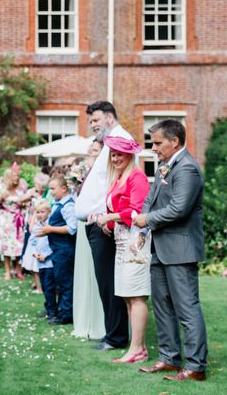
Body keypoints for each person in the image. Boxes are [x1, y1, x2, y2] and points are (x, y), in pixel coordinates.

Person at [134, 120, 208, 381]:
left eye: (157, 143)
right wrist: (142, 227)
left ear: (174, 141)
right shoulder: (164, 166)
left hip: (181, 249)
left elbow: (179, 209)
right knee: (162, 306)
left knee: (187, 309)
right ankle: (169, 358)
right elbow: (150, 199)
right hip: (160, 247)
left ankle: (196, 366)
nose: (153, 148)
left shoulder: (187, 168)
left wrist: (147, 220)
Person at [75, 101, 131, 351]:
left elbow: (120, 183)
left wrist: (107, 216)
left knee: (109, 282)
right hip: (97, 222)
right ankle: (112, 333)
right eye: (90, 121)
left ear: (109, 117)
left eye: (96, 119)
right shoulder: (111, 141)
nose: (93, 125)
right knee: (105, 281)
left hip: (104, 224)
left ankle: (116, 337)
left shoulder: (120, 140)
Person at [95, 136, 150, 363]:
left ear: (130, 155)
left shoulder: (137, 177)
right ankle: (138, 348)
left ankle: (137, 349)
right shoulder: (118, 178)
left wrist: (110, 216)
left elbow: (136, 211)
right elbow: (118, 211)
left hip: (135, 243)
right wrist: (107, 223)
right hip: (120, 241)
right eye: (113, 154)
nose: (116, 158)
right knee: (128, 296)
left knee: (136, 296)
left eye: (120, 154)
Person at [71, 137, 106, 341]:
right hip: (83, 224)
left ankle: (99, 323)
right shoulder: (85, 172)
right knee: (84, 272)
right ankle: (84, 320)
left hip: (96, 224)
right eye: (91, 148)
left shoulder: (102, 173)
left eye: (95, 149)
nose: (91, 151)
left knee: (96, 274)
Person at [36, 175, 77, 325]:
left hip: (65, 250)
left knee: (65, 282)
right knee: (59, 280)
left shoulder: (68, 206)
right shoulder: (58, 203)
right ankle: (60, 310)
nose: (51, 192)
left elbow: (72, 228)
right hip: (57, 250)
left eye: (53, 189)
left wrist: (49, 229)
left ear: (64, 189)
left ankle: (66, 314)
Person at [0, 164, 31, 280]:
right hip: (5, 219)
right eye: (14, 176)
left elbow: (28, 200)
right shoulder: (1, 187)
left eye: (17, 175)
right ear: (8, 177)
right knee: (6, 246)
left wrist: (24, 204)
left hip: (19, 218)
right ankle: (7, 271)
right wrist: (1, 198)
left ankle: (18, 270)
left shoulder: (22, 187)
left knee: (20, 244)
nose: (16, 178)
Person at [29, 199, 55, 318]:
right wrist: (35, 253)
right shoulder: (36, 227)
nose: (40, 214)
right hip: (40, 263)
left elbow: (54, 243)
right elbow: (32, 242)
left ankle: (52, 311)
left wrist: (46, 254)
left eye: (42, 212)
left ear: (49, 212)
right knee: (44, 286)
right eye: (37, 212)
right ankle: (48, 307)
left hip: (49, 262)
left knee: (50, 287)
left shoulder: (50, 226)